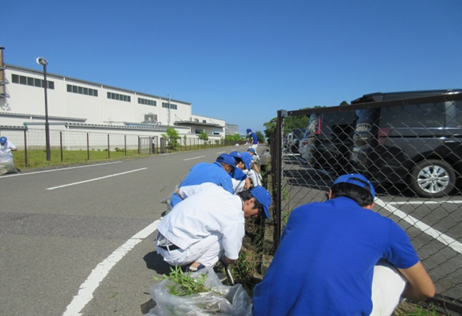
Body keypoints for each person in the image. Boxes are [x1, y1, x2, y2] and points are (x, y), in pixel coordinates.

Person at [253, 174, 435, 316]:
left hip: (263, 310)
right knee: (392, 268)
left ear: (330, 194)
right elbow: (426, 290)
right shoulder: (385, 226)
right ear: (370, 206)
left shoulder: (301, 212)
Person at [156, 184, 272, 271]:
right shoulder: (235, 218)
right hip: (175, 254)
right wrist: (221, 258)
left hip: (159, 238)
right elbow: (232, 257)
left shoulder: (213, 189)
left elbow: (180, 191)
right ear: (250, 201)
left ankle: (192, 259)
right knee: (223, 236)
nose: (256, 216)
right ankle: (196, 271)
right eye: (259, 211)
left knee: (213, 226)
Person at [169, 153, 235, 208]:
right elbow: (229, 198)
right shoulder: (225, 176)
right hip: (190, 208)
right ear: (227, 167)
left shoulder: (200, 165)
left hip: (175, 200)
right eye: (231, 169)